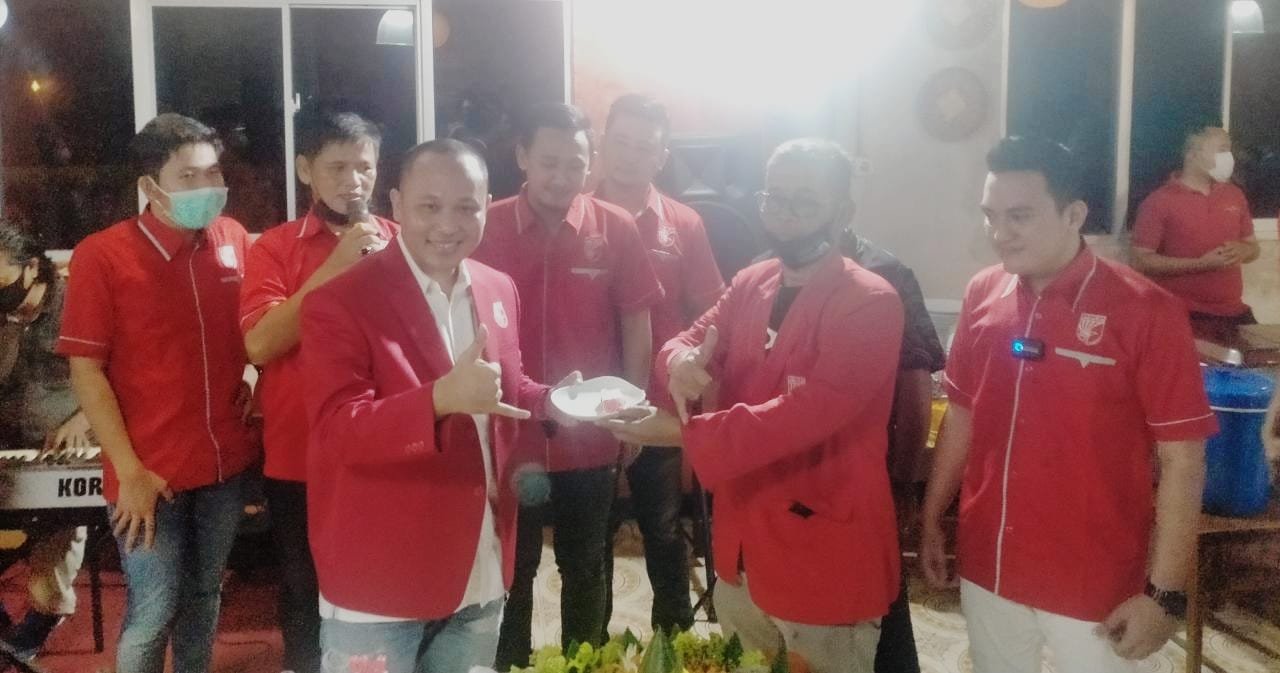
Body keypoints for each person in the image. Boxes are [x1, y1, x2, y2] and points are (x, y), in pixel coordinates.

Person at [602, 138, 904, 673]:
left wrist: (678, 432)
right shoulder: (751, 281)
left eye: (804, 202)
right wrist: (680, 362)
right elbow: (686, 338)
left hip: (823, 548)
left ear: (844, 211)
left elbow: (804, 415)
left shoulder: (870, 301)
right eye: (774, 199)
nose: (785, 215)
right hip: (741, 544)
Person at [920, 136, 1213, 673]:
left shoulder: (1146, 311)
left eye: (1020, 216)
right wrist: (932, 516)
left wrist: (1164, 593)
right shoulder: (983, 294)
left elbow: (1183, 459)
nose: (999, 233)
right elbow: (962, 416)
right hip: (990, 560)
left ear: (1074, 214)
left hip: (1094, 576)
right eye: (990, 216)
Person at [301, 139, 569, 672]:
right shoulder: (340, 301)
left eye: (466, 207)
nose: (448, 224)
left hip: (480, 561)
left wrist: (554, 402)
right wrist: (440, 399)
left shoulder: (497, 288)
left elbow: (504, 387)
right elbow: (337, 430)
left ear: (486, 205)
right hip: (380, 574)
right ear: (397, 205)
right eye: (429, 206)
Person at [57, 113, 257, 673]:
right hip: (148, 472)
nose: (206, 186)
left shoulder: (234, 240)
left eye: (213, 173)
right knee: (153, 609)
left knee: (204, 595)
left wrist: (253, 380)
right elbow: (87, 372)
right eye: (188, 176)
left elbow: (255, 332)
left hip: (224, 464)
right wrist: (130, 473)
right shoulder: (103, 255)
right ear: (150, 186)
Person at [473, 103, 663, 669]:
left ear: (591, 162)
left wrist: (632, 409)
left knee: (586, 563)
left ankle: (586, 664)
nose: (561, 177)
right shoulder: (486, 227)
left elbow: (636, 321)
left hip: (590, 432)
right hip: (511, 430)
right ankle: (510, 663)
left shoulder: (615, 227)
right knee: (514, 565)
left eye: (574, 164)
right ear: (523, 157)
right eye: (549, 162)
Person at [240, 104, 397, 673]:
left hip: (385, 445)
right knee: (304, 586)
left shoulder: (400, 241)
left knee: (382, 582)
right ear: (305, 169)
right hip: (301, 451)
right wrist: (336, 267)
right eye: (337, 167)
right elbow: (260, 345)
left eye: (365, 167)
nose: (354, 181)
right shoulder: (274, 248)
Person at [592, 94, 725, 634]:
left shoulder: (684, 224)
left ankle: (673, 644)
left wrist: (696, 372)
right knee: (591, 536)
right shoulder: (576, 215)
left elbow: (714, 310)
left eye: (644, 147)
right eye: (620, 142)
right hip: (588, 404)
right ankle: (590, 649)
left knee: (664, 530)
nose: (629, 156)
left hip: (658, 405)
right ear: (602, 144)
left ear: (662, 156)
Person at [837, 228, 945, 673]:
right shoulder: (767, 267)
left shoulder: (887, 273)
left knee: (881, 606)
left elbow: (915, 384)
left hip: (869, 474)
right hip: (788, 479)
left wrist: (904, 484)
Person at [0, 222, 88, 661]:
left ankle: (45, 613)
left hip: (70, 442)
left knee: (57, 516)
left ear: (31, 268)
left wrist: (82, 420)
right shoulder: (6, 321)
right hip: (13, 439)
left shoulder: (77, 304)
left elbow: (122, 375)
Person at [1131, 126, 1260, 328]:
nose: (1229, 157)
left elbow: (1253, 248)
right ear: (1192, 154)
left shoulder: (1234, 194)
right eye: (1222, 150)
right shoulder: (1159, 201)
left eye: (1229, 150)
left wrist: (1243, 250)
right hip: (1181, 314)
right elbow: (1140, 261)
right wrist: (1200, 264)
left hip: (1234, 311)